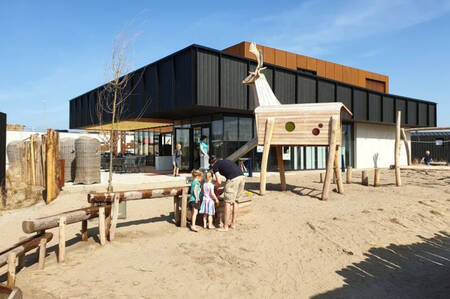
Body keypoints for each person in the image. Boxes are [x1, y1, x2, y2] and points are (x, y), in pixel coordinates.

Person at [209, 155, 245, 232]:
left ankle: (225, 227)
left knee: (227, 203)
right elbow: (229, 175)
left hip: (233, 179)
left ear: (211, 163)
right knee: (236, 201)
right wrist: (224, 188)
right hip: (242, 177)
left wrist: (215, 188)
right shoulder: (224, 161)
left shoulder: (215, 166)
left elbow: (219, 181)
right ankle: (233, 224)